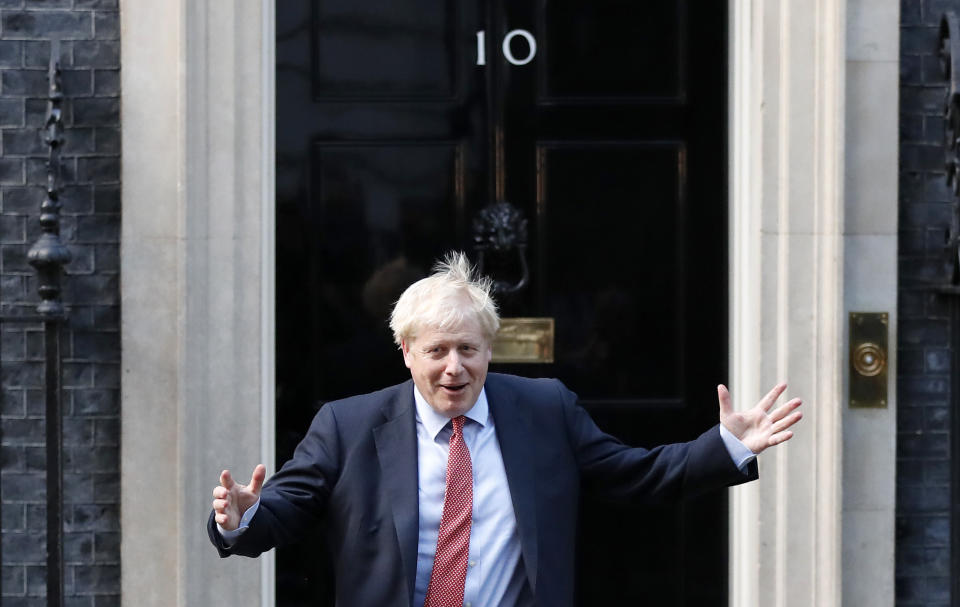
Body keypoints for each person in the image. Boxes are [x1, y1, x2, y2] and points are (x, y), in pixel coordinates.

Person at [208, 252, 802, 607]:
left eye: (468, 348)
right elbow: (288, 506)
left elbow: (637, 475)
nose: (454, 367)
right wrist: (244, 517)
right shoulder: (349, 425)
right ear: (406, 352)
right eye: (437, 350)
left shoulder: (544, 410)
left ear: (490, 349)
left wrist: (727, 446)